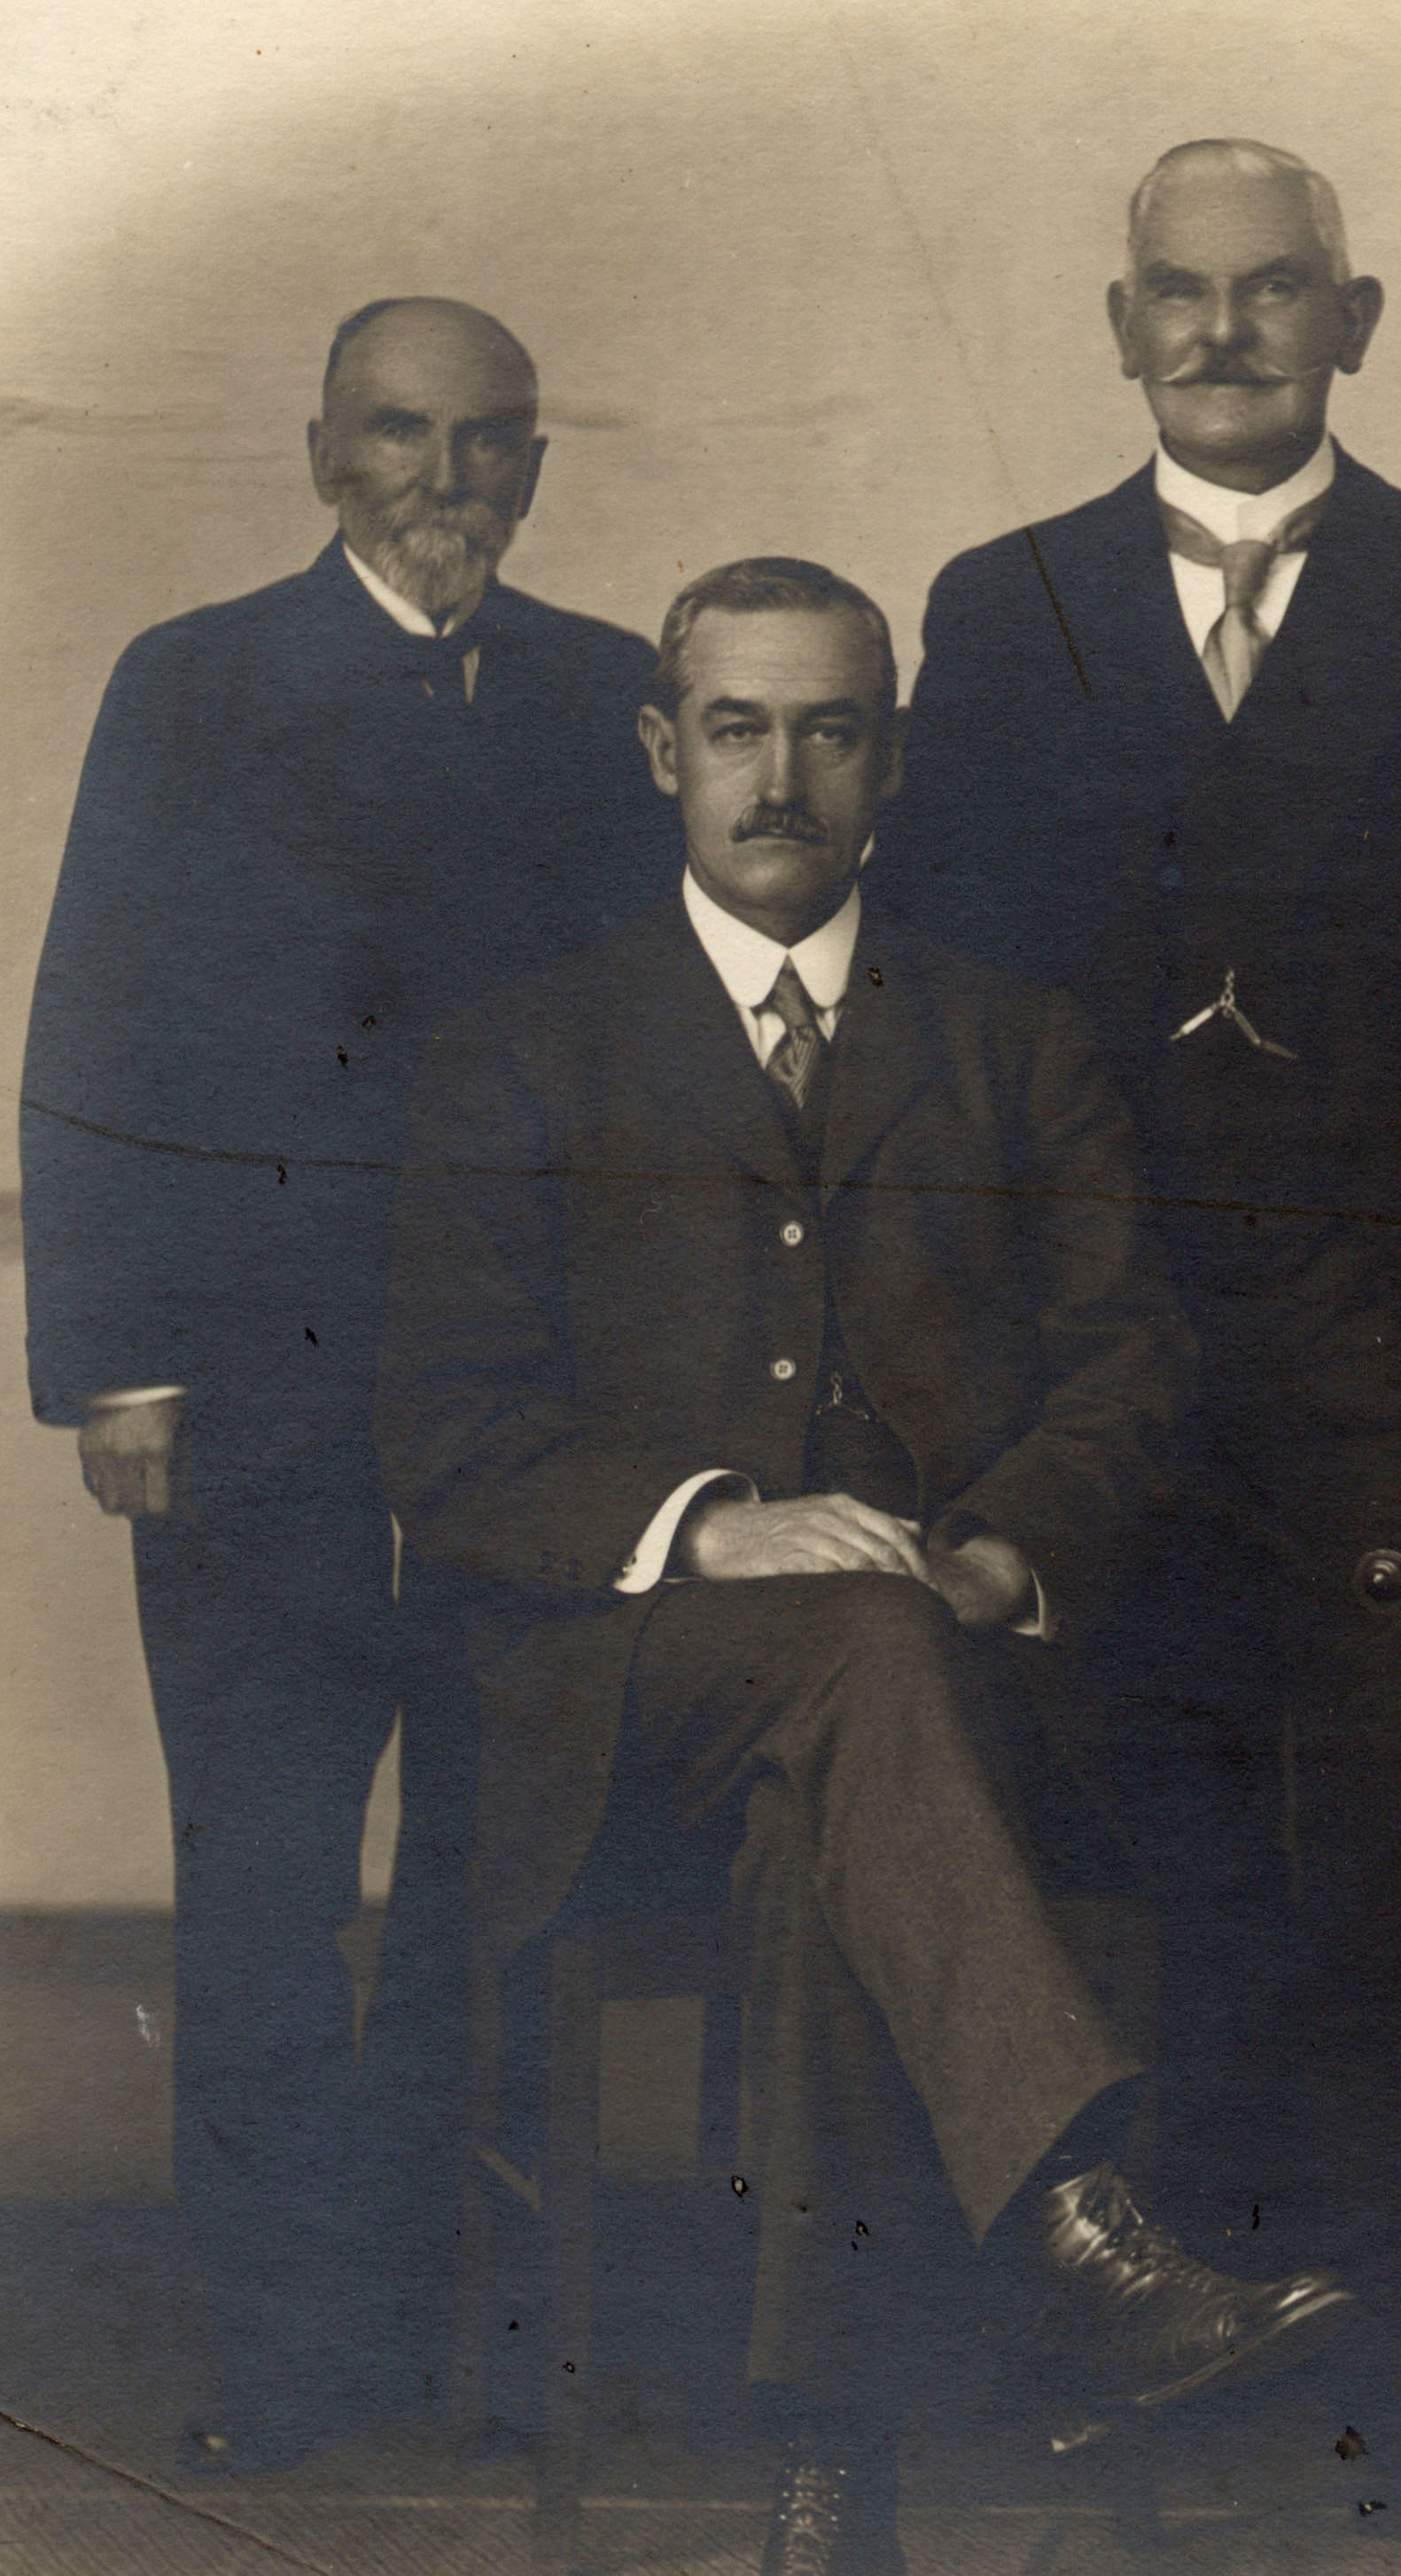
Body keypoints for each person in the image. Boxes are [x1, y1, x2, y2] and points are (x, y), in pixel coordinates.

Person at [377, 560, 1355, 2576]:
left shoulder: (1008, 1039)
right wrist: (711, 1529)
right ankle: (1086, 2223)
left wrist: (1001, 1544)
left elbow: (1126, 1369)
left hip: (927, 1715)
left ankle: (833, 2493)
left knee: (840, 1794)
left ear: (890, 761)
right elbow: (450, 1442)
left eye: (829, 728)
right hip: (619, 1713)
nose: (779, 775)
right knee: (850, 1667)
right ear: (662, 752)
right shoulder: (522, 1053)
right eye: (734, 727)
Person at [886, 139, 1401, 2263]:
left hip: (1395, 1346)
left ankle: (1399, 2287)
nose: (1223, 331)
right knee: (1158, 1790)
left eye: (1273, 287)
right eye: (1179, 291)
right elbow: (936, 1011)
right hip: (1099, 1348)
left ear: (1353, 317)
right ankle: (1195, 2277)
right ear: (1121, 325)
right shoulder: (999, 602)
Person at [17, 295, 675, 2467]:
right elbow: (96, 1020)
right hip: (257, 1400)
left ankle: (451, 2337)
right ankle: (291, 2370)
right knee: (269, 1888)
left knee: (495, 1873)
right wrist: (116, 1358)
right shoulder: (191, 684)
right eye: (399, 436)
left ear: (539, 464)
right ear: (322, 454)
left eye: (490, 440)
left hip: (518, 1412)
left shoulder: (603, 696)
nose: (446, 480)